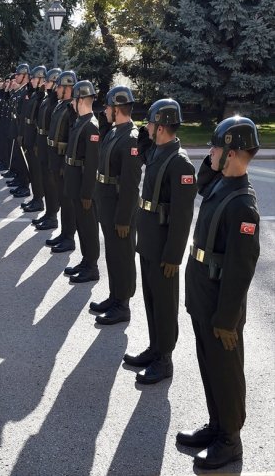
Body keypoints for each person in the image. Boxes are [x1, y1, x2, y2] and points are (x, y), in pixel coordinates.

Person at [178, 116, 260, 470]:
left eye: (216, 146)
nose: (209, 152)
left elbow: (241, 269)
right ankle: (216, 425)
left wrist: (227, 319)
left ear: (233, 152)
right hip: (203, 291)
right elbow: (202, 180)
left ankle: (231, 440)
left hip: (220, 302)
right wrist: (216, 158)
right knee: (208, 363)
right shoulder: (219, 182)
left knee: (225, 369)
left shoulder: (243, 205)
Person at [124, 98, 196, 384]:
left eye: (152, 123)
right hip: (149, 240)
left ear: (163, 127)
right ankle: (155, 348)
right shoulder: (156, 151)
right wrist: (144, 134)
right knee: (151, 299)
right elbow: (141, 151)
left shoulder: (180, 163)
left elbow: (182, 216)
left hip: (165, 247)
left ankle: (164, 359)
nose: (148, 127)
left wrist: (173, 256)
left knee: (165, 304)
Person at [92, 86, 143, 324]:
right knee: (112, 253)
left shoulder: (131, 138)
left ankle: (123, 305)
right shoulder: (115, 131)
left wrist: (124, 218)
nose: (104, 111)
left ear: (117, 109)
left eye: (108, 107)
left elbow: (131, 185)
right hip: (108, 203)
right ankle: (115, 295)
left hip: (120, 208)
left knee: (122, 255)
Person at [62, 80, 101, 283]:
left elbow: (92, 164)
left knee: (88, 226)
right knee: (81, 223)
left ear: (80, 100)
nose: (72, 104)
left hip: (83, 186)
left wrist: (87, 192)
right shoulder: (80, 121)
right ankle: (86, 261)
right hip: (74, 181)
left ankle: (92, 266)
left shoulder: (91, 126)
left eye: (74, 100)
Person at [45, 70, 78, 253]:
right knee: (61, 199)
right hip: (54, 157)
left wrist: (66, 163)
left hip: (62, 159)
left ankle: (69, 237)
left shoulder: (71, 109)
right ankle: (64, 233)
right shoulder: (60, 105)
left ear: (67, 88)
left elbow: (72, 138)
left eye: (59, 86)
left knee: (67, 202)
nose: (56, 89)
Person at [31, 68, 61, 230]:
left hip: (50, 146)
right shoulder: (47, 99)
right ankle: (48, 213)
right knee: (45, 181)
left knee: (51, 184)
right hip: (42, 143)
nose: (45, 83)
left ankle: (53, 216)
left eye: (49, 81)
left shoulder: (56, 102)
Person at [21, 65, 47, 212]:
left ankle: (39, 200)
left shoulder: (43, 96)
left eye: (33, 78)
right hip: (30, 136)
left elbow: (41, 121)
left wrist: (37, 142)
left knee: (37, 172)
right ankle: (35, 197)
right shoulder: (34, 93)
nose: (30, 80)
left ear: (41, 79)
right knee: (33, 170)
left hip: (36, 139)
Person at [6, 64, 32, 199]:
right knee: (19, 159)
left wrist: (22, 134)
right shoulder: (21, 91)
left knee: (23, 160)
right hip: (18, 130)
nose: (15, 77)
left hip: (22, 132)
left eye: (18, 74)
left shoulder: (27, 92)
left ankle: (25, 186)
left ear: (25, 76)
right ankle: (21, 182)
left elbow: (24, 116)